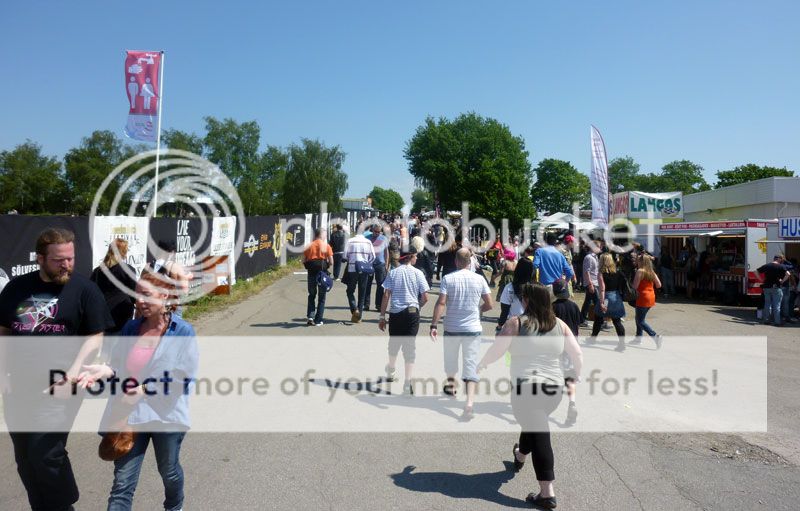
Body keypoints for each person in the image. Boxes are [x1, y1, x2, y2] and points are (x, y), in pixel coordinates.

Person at [0, 228, 114, 511]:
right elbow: (3, 331)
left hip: (60, 387)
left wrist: (73, 374)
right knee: (25, 457)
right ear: (40, 258)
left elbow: (95, 336)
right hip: (18, 387)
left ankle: (65, 507)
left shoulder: (84, 290)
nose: (66, 265)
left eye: (71, 259)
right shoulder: (17, 288)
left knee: (46, 453)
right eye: (59, 260)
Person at [77, 268, 198, 511]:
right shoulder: (131, 328)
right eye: (138, 295)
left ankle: (175, 507)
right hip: (130, 414)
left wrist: (145, 389)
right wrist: (105, 370)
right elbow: (118, 366)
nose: (140, 301)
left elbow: (183, 378)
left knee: (169, 472)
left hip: (166, 416)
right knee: (122, 483)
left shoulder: (182, 332)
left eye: (147, 295)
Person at [477, 283, 583, 509]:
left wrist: (482, 363)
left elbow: (498, 349)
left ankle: (547, 492)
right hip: (553, 391)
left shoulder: (516, 323)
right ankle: (520, 455)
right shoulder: (560, 325)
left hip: (526, 389)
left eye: (523, 297)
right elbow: (577, 353)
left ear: (527, 300)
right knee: (534, 423)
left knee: (540, 433)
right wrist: (575, 375)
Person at [430, 248, 494, 420]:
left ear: (456, 262)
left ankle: (451, 386)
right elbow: (490, 304)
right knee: (470, 363)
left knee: (451, 359)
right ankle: (469, 403)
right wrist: (479, 310)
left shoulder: (448, 279)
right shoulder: (480, 279)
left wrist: (434, 325)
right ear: (470, 261)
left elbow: (441, 303)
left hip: (452, 326)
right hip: (472, 328)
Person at [378, 247, 430, 396]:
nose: (417, 259)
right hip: (412, 314)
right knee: (409, 347)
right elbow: (425, 297)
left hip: (396, 313)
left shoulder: (393, 273)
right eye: (415, 256)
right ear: (411, 257)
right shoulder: (419, 273)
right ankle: (407, 383)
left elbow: (386, 295)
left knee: (394, 344)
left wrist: (382, 317)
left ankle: (391, 370)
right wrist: (417, 306)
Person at [91, 238, 138, 334]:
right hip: (122, 312)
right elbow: (134, 292)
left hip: (102, 313)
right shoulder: (127, 270)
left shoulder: (98, 271)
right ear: (123, 251)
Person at [550, 278, 581, 424]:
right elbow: (578, 326)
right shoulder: (574, 306)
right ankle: (572, 402)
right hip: (572, 343)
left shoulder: (553, 307)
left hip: (557, 345)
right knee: (569, 376)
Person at [587, 253, 627, 352]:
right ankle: (622, 344)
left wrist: (601, 303)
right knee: (617, 321)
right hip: (616, 297)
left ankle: (592, 339)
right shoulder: (618, 272)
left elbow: (602, 290)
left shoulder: (601, 273)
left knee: (598, 317)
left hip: (606, 298)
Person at [630, 253, 664, 349]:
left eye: (638, 260)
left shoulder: (640, 271)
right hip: (651, 297)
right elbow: (659, 285)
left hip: (642, 297)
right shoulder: (651, 271)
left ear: (642, 261)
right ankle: (638, 338)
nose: (636, 261)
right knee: (639, 318)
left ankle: (655, 336)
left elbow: (634, 287)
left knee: (640, 321)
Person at [343, 229, 376, 323]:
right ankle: (359, 316)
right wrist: (366, 263)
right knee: (362, 293)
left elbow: (345, 256)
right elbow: (373, 256)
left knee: (350, 291)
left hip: (352, 270)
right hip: (364, 270)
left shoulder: (350, 241)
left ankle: (354, 309)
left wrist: (352, 259)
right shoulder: (368, 242)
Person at [303, 228, 334, 326]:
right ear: (321, 235)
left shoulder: (308, 246)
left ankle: (310, 317)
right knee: (322, 297)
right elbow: (332, 262)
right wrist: (327, 265)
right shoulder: (326, 246)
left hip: (311, 273)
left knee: (311, 295)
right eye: (325, 234)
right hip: (322, 274)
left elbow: (303, 260)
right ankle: (318, 319)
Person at [497, 248, 533, 331]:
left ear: (517, 270)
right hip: (532, 326)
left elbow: (504, 311)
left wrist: (500, 325)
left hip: (515, 325)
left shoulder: (510, 288)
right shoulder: (536, 288)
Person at [758, 254, 790, 326]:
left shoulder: (767, 265)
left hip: (766, 287)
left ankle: (767, 320)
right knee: (776, 305)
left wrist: (761, 280)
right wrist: (782, 281)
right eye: (781, 259)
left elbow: (755, 271)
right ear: (779, 259)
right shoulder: (781, 266)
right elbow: (788, 274)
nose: (782, 261)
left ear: (774, 258)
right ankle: (777, 322)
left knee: (767, 304)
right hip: (776, 287)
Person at [364, 224, 390, 311]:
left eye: (379, 232)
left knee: (380, 285)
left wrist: (386, 264)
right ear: (372, 230)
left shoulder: (383, 238)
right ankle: (366, 304)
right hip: (369, 264)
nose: (377, 233)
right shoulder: (367, 238)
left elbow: (386, 252)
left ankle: (378, 305)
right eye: (376, 231)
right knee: (367, 284)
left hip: (380, 264)